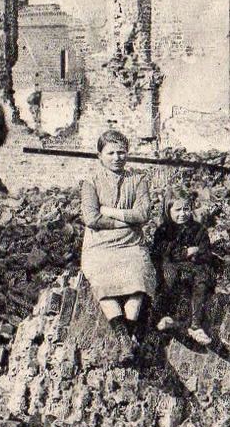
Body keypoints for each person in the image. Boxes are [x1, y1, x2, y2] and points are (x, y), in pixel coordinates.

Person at [79, 129, 157, 350]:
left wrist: (110, 211)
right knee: (103, 282)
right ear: (100, 156)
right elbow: (92, 218)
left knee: (140, 278)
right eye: (111, 153)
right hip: (99, 245)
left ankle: (128, 340)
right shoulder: (90, 181)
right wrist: (126, 220)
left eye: (121, 152)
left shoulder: (138, 179)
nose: (117, 158)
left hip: (130, 243)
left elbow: (143, 214)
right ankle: (126, 338)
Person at [150, 189, 216, 345]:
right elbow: (160, 251)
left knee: (202, 279)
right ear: (168, 210)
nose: (183, 213)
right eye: (177, 210)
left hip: (193, 268)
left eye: (186, 209)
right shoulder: (163, 230)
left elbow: (206, 253)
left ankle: (196, 326)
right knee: (169, 278)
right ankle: (163, 317)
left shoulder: (198, 229)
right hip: (171, 268)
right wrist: (185, 251)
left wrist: (194, 254)